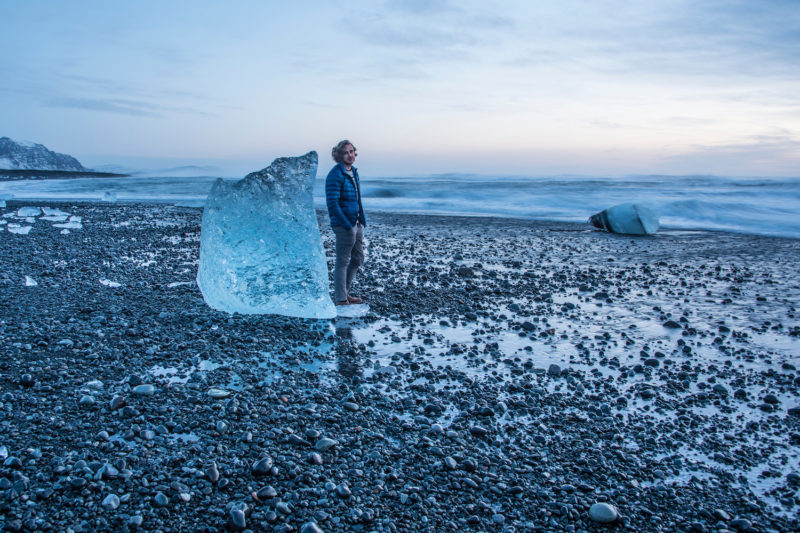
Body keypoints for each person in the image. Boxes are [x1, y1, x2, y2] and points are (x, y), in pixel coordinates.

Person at [325, 140, 366, 306]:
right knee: (343, 260)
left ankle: (344, 292)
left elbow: (357, 198)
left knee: (357, 258)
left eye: (352, 151)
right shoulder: (336, 174)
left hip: (355, 222)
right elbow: (332, 203)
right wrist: (347, 225)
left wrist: (360, 220)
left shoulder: (353, 172)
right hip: (344, 225)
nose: (350, 155)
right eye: (346, 152)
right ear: (339, 156)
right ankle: (341, 298)